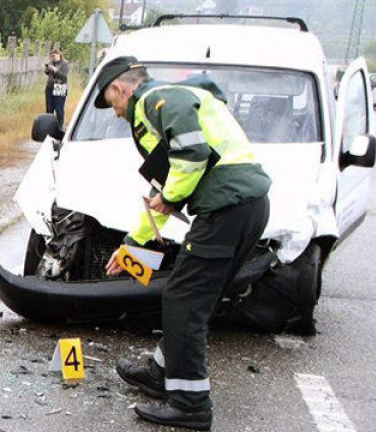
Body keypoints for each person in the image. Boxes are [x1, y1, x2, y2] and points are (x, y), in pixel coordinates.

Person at [95, 56, 271, 431]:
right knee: (189, 299)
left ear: (121, 89)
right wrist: (132, 247)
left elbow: (190, 160)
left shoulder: (160, 101)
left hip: (228, 209)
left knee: (184, 302)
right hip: (241, 208)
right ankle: (163, 373)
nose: (116, 114)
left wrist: (172, 198)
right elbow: (162, 191)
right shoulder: (168, 103)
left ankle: (191, 404)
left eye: (112, 104)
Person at [44, 49, 70, 128]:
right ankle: (49, 127)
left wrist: (55, 70)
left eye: (54, 55)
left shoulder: (64, 63)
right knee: (49, 109)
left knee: (59, 109)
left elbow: (64, 77)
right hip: (50, 87)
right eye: (51, 56)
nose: (52, 57)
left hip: (60, 86)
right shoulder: (51, 63)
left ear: (59, 55)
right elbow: (47, 72)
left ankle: (59, 127)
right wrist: (47, 68)